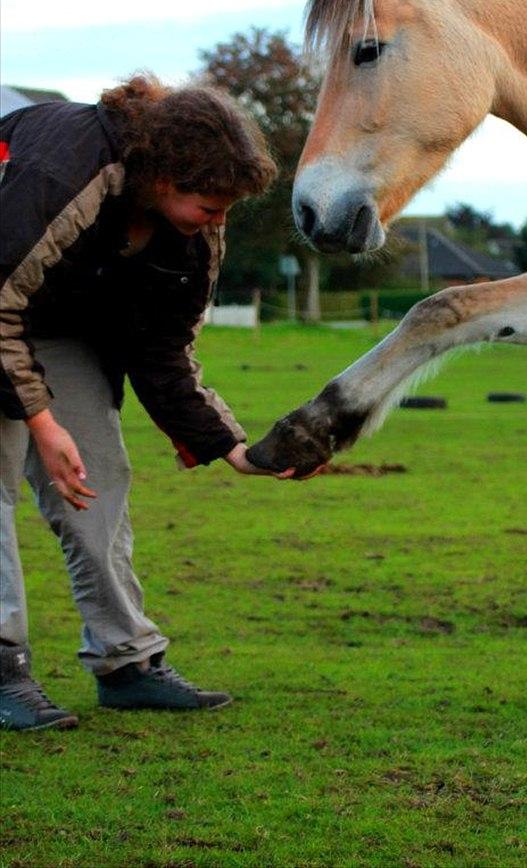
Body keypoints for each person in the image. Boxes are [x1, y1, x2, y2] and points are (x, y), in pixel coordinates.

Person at [0, 74, 289, 731]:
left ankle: (126, 663)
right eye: (211, 205)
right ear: (163, 176)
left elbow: (163, 348)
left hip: (54, 320)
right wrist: (40, 421)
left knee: (99, 477)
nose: (221, 221)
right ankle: (3, 669)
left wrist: (232, 447)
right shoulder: (62, 167)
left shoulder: (192, 232)